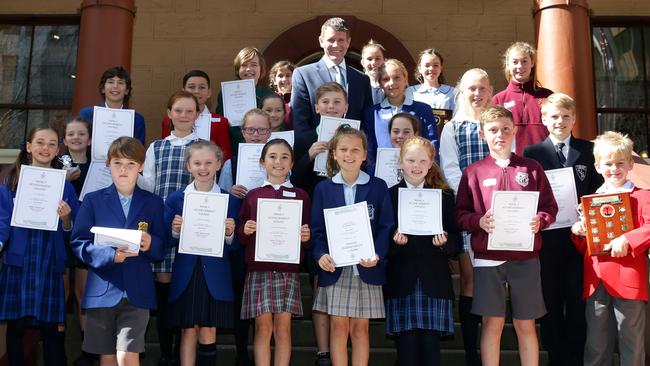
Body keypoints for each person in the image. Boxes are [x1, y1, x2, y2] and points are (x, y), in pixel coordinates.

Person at [454, 106, 558, 366]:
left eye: (505, 129)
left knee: (526, 324)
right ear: (482, 134)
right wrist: (479, 221)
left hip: (525, 257)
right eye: (493, 130)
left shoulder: (532, 168)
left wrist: (540, 220)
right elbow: (459, 215)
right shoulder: (473, 173)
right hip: (488, 259)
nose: (499, 135)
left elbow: (549, 207)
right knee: (492, 322)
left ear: (514, 132)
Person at [522, 93, 602, 365]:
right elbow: (527, 196)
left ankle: (576, 358)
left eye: (566, 116)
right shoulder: (531, 154)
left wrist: (586, 214)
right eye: (554, 116)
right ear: (544, 119)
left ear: (575, 119)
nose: (560, 121)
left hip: (580, 240)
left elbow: (597, 191)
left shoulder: (588, 151)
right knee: (550, 302)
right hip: (546, 241)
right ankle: (556, 358)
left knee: (578, 303)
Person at [70, 136, 165, 366]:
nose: (124, 169)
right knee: (108, 358)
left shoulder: (153, 203)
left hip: (137, 290)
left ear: (141, 167)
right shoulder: (93, 201)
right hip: (102, 288)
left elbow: (162, 246)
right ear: (108, 165)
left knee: (127, 355)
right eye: (118, 163)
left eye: (131, 164)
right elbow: (79, 243)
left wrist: (151, 243)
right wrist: (111, 255)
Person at [311, 125, 394, 366]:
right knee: (338, 328)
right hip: (335, 268)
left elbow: (386, 226)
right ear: (334, 154)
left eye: (355, 149)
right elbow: (317, 229)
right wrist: (320, 254)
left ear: (365, 154)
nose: (349, 155)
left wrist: (376, 254)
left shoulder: (377, 187)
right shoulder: (323, 189)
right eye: (344, 149)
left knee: (360, 329)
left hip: (366, 267)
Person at [0, 127, 79, 366]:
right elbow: (3, 219)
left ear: (58, 150)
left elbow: (74, 232)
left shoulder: (65, 186)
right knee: (16, 326)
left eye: (52, 144)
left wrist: (66, 220)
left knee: (51, 329)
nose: (45, 148)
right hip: (19, 258)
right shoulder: (11, 181)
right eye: (40, 143)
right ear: (29, 146)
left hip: (48, 257)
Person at [570, 131, 650, 366]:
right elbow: (585, 246)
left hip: (628, 279)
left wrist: (628, 239)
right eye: (608, 164)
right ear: (597, 167)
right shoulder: (590, 200)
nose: (614, 169)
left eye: (619, 163)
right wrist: (578, 233)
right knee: (595, 345)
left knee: (632, 343)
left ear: (630, 164)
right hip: (596, 281)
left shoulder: (643, 197)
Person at [385, 136, 459, 365]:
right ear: (401, 162)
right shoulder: (389, 195)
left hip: (434, 280)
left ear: (430, 163)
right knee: (406, 351)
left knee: (430, 351)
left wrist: (444, 242)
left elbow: (456, 242)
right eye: (410, 160)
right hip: (401, 281)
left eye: (422, 161)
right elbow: (381, 240)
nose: (416, 166)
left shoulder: (445, 197)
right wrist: (394, 243)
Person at [164, 141, 239, 366]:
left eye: (208, 162)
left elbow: (235, 247)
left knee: (209, 331)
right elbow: (166, 241)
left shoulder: (231, 200)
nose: (203, 168)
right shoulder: (176, 199)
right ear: (188, 166)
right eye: (197, 163)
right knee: (188, 330)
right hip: (187, 271)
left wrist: (229, 234)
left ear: (218, 164)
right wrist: (174, 231)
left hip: (215, 273)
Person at [140, 91, 201, 365]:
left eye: (190, 111)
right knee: (164, 293)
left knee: (184, 292)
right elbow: (150, 185)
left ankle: (181, 353)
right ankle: (166, 353)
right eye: (178, 110)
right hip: (165, 225)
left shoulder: (203, 146)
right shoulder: (157, 146)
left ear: (197, 115)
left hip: (194, 226)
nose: (184, 115)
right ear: (169, 113)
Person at [237, 139, 311, 366]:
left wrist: (305, 237)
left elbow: (308, 236)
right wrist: (246, 229)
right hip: (259, 269)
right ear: (262, 162)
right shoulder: (253, 195)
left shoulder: (301, 196)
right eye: (272, 156)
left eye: (284, 157)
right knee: (262, 327)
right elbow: (240, 235)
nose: (278, 162)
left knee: (283, 328)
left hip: (288, 269)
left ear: (291, 163)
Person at [290, 82, 349, 366]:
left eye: (337, 102)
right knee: (320, 283)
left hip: (350, 220)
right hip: (318, 219)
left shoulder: (356, 137)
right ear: (316, 107)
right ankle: (324, 351)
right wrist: (309, 156)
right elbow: (293, 181)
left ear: (346, 107)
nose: (331, 107)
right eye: (325, 102)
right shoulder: (303, 138)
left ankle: (344, 348)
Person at [438, 68, 493, 366]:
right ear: (462, 91)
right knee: (470, 281)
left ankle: (490, 347)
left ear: (490, 89)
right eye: (471, 88)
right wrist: (476, 198)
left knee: (494, 281)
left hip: (497, 211)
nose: (477, 93)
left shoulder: (498, 124)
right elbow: (449, 168)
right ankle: (472, 352)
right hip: (468, 209)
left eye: (482, 88)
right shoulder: (453, 127)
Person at [291, 17, 373, 164]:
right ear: (321, 41)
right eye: (330, 40)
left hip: (352, 161)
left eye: (341, 40)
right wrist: (324, 144)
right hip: (316, 159)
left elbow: (366, 122)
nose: (336, 45)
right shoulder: (303, 74)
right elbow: (300, 123)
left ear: (348, 42)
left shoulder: (362, 79)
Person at [61, 117, 97, 366]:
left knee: (83, 293)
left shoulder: (100, 167)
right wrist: (64, 182)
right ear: (64, 140)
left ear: (90, 139)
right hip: (62, 235)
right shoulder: (56, 167)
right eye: (71, 134)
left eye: (81, 134)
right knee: (62, 293)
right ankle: (59, 347)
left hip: (87, 235)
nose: (76, 138)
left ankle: (87, 350)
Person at [362, 59, 438, 171]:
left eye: (397, 77)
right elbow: (369, 147)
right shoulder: (371, 113)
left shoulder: (423, 109)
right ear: (380, 84)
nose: (392, 83)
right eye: (386, 79)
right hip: (382, 174)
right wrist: (374, 174)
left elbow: (432, 143)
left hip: (417, 172)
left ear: (406, 80)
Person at [492, 42, 553, 155]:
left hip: (546, 162)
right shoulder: (498, 100)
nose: (520, 66)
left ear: (532, 63)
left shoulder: (548, 96)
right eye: (515, 62)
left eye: (524, 61)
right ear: (508, 64)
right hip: (513, 165)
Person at [161, 70, 233, 161]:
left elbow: (226, 155)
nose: (196, 91)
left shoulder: (221, 122)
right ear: (183, 91)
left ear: (209, 92)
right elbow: (164, 149)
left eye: (202, 87)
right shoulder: (169, 120)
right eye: (191, 87)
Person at [216, 47, 275, 156]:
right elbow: (219, 125)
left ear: (261, 69)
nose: (248, 69)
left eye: (254, 65)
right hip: (234, 150)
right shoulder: (226, 93)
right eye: (244, 65)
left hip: (264, 151)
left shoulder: (269, 95)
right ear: (238, 69)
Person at [78, 66, 146, 144]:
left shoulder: (137, 120)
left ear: (127, 90)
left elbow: (138, 151)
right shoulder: (86, 115)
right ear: (103, 89)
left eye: (120, 83)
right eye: (110, 82)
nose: (115, 86)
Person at [218, 108, 273, 197]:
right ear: (243, 132)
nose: (256, 134)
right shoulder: (230, 164)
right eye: (250, 129)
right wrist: (230, 192)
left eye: (262, 130)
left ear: (269, 132)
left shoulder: (280, 161)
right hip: (241, 209)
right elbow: (221, 195)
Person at [268, 60, 295, 130]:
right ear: (274, 81)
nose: (284, 79)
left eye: (288, 75)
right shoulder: (268, 100)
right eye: (280, 76)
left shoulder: (300, 99)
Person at [360, 40, 386, 104]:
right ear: (363, 62)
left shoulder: (389, 84)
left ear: (383, 61)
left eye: (377, 59)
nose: (374, 63)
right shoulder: (358, 83)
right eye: (369, 59)